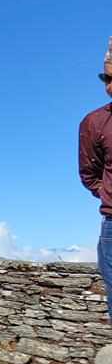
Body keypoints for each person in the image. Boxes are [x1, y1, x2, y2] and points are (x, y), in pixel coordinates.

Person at [79, 38, 112, 321]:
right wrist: (108, 194)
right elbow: (90, 173)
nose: (110, 86)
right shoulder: (95, 122)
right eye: (106, 78)